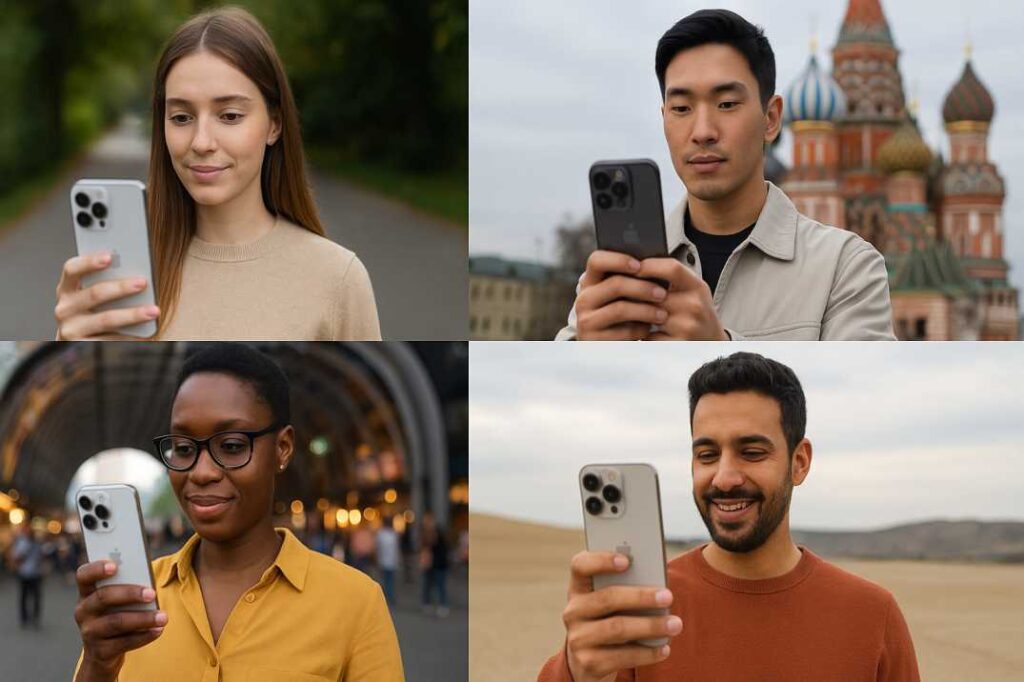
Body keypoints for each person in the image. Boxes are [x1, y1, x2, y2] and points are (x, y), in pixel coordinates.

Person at [539, 352, 920, 681]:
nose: (724, 478)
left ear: (799, 462)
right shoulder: (640, 611)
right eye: (707, 455)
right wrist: (575, 671)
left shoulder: (872, 614)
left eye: (752, 452)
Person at [556, 9, 895, 341]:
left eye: (727, 104)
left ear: (771, 119)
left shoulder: (845, 267)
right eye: (681, 108)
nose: (703, 131)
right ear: (664, 119)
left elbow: (863, 377)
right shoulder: (615, 278)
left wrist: (718, 345)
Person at [72, 343, 403, 681]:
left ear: (283, 448)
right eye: (183, 448)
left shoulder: (356, 603)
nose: (201, 472)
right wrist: (98, 665)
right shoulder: (133, 601)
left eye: (231, 446)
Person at [55, 7, 381, 341]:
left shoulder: (339, 280)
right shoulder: (122, 272)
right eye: (181, 118)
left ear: (274, 125)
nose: (201, 142)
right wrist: (67, 347)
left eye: (229, 116)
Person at [11, 524, 45, 628]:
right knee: (24, 597)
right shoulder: (21, 542)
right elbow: (16, 557)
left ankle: (35, 618)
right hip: (24, 573)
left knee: (36, 597)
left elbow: (41, 556)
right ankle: (24, 618)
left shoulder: (37, 543)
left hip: (35, 573)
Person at [419, 511, 450, 617]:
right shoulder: (424, 534)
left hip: (439, 565)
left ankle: (443, 605)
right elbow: (423, 549)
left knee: (440, 586)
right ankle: (427, 603)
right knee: (427, 585)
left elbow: (443, 550)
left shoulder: (439, 534)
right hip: (429, 565)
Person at [376, 516, 399, 606]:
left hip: (384, 561)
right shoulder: (393, 534)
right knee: (390, 581)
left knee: (385, 581)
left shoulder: (381, 534)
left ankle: (386, 598)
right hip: (391, 561)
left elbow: (378, 548)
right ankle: (389, 598)